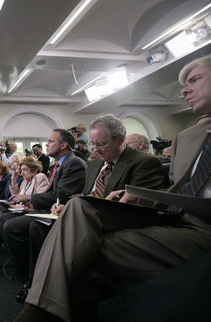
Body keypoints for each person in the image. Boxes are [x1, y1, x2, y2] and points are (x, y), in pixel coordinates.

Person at [14, 55, 211, 322]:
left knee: (83, 249)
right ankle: (41, 309)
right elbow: (177, 193)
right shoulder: (186, 137)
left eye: (195, 80)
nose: (184, 89)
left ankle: (36, 311)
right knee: (80, 213)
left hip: (199, 227)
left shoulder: (145, 161)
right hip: (180, 221)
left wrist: (138, 196)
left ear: (120, 139)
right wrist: (137, 195)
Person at [13, 114, 165, 304]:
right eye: (93, 144)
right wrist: (63, 205)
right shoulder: (94, 164)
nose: (96, 150)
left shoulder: (143, 162)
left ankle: (52, 292)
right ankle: (40, 283)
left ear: (120, 139)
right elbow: (82, 195)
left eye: (101, 144)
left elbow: (145, 208)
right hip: (81, 216)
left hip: (108, 221)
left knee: (42, 228)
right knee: (37, 226)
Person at [1, 129, 87, 293]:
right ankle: (26, 273)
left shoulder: (74, 163)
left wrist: (30, 198)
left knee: (11, 227)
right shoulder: (60, 164)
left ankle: (28, 279)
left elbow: (62, 195)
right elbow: (50, 193)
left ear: (63, 145)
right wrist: (32, 201)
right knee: (4, 220)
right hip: (49, 209)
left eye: (50, 141)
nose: (46, 144)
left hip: (61, 212)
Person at [0, 156, 49, 270]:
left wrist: (24, 202)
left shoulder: (40, 177)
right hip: (20, 209)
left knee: (0, 216)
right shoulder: (25, 182)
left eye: (25, 169)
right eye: (21, 169)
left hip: (32, 211)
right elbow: (16, 195)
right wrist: (13, 180)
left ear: (35, 170)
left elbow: (41, 199)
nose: (22, 172)